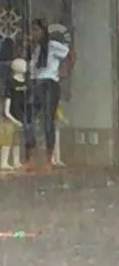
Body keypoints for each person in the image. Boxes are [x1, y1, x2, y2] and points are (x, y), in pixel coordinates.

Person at [25, 19, 69, 168]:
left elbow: (70, 54)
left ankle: (48, 159)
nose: (34, 34)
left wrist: (64, 72)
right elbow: (32, 70)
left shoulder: (53, 46)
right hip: (36, 83)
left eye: (36, 30)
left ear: (43, 32)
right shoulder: (35, 49)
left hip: (49, 83)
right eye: (32, 31)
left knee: (47, 121)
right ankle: (30, 157)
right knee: (28, 119)